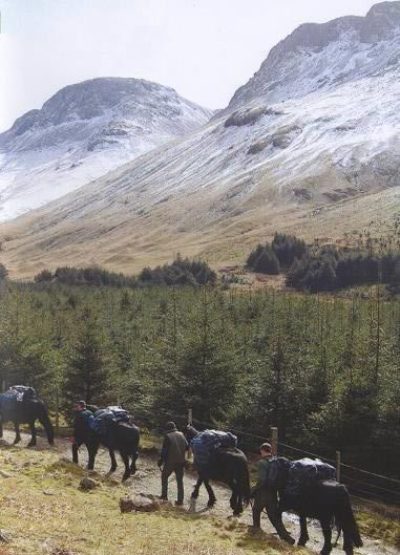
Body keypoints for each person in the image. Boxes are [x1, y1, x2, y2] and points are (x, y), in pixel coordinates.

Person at [158, 421, 188, 505]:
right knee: (180, 481)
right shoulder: (181, 434)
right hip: (181, 461)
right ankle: (180, 500)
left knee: (164, 476)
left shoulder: (167, 436)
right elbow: (187, 447)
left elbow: (164, 451)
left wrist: (160, 461)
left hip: (170, 462)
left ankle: (164, 496)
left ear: (167, 429)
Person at [251, 442, 274, 528]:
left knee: (256, 509)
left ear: (262, 450)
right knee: (273, 516)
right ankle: (285, 536)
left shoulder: (262, 462)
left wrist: (253, 489)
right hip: (273, 491)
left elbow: (262, 480)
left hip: (263, 492)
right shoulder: (275, 461)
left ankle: (256, 528)